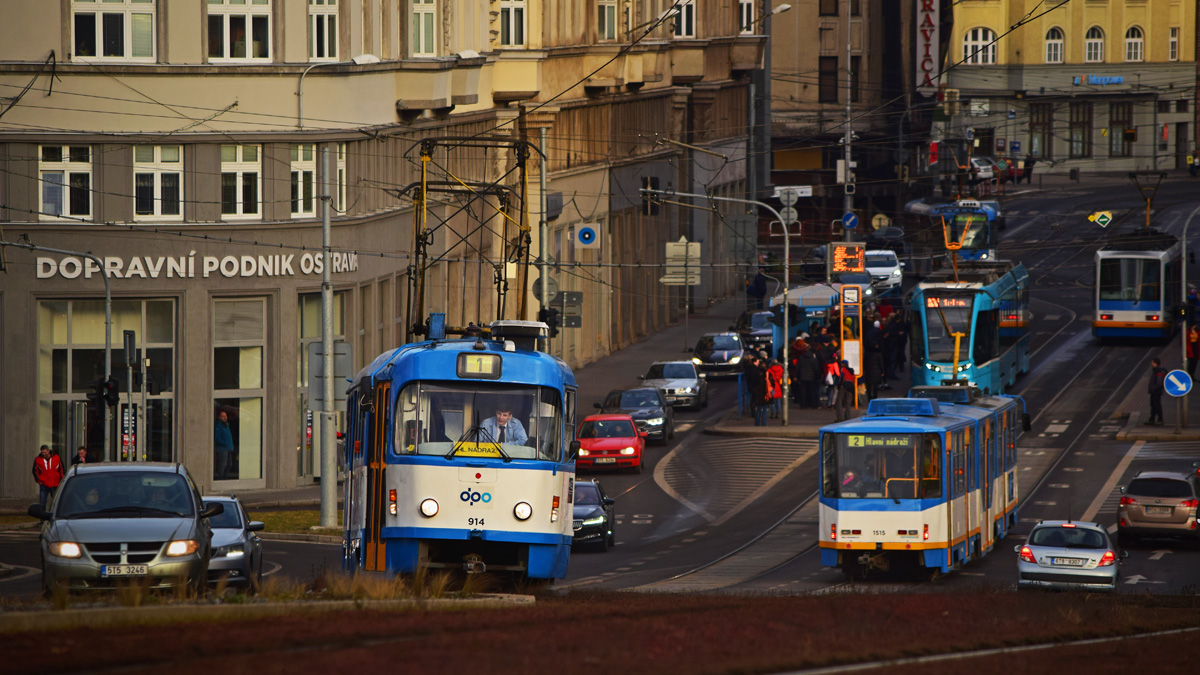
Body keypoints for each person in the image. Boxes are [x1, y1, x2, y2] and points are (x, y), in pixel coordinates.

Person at [1145, 357, 1167, 426]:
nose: (1151, 363)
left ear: (1155, 363)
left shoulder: (1158, 371)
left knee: (1157, 405)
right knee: (1153, 405)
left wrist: (1153, 388)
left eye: (1152, 362)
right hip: (1154, 391)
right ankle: (1152, 419)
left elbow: (1158, 382)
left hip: (1156, 391)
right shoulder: (1155, 370)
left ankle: (1160, 420)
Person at [214, 410, 234, 480]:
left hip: (228, 448)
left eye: (225, 416)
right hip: (222, 448)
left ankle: (225, 478)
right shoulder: (218, 425)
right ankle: (220, 478)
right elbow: (217, 438)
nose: (225, 417)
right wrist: (225, 443)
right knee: (223, 464)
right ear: (219, 417)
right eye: (223, 416)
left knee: (229, 464)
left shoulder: (226, 425)